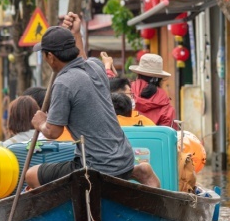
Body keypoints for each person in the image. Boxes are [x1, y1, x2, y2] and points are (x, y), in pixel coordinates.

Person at [25, 19, 159, 189]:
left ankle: (74, 206)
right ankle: (139, 171)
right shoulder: (95, 66)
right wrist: (76, 32)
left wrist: (41, 122)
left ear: (50, 57)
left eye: (44, 54)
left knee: (31, 175)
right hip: (125, 160)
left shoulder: (63, 83)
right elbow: (83, 59)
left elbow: (53, 131)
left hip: (96, 168)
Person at [129, 54, 177, 128]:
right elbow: (167, 132)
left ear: (138, 74)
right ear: (159, 79)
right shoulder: (165, 104)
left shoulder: (126, 92)